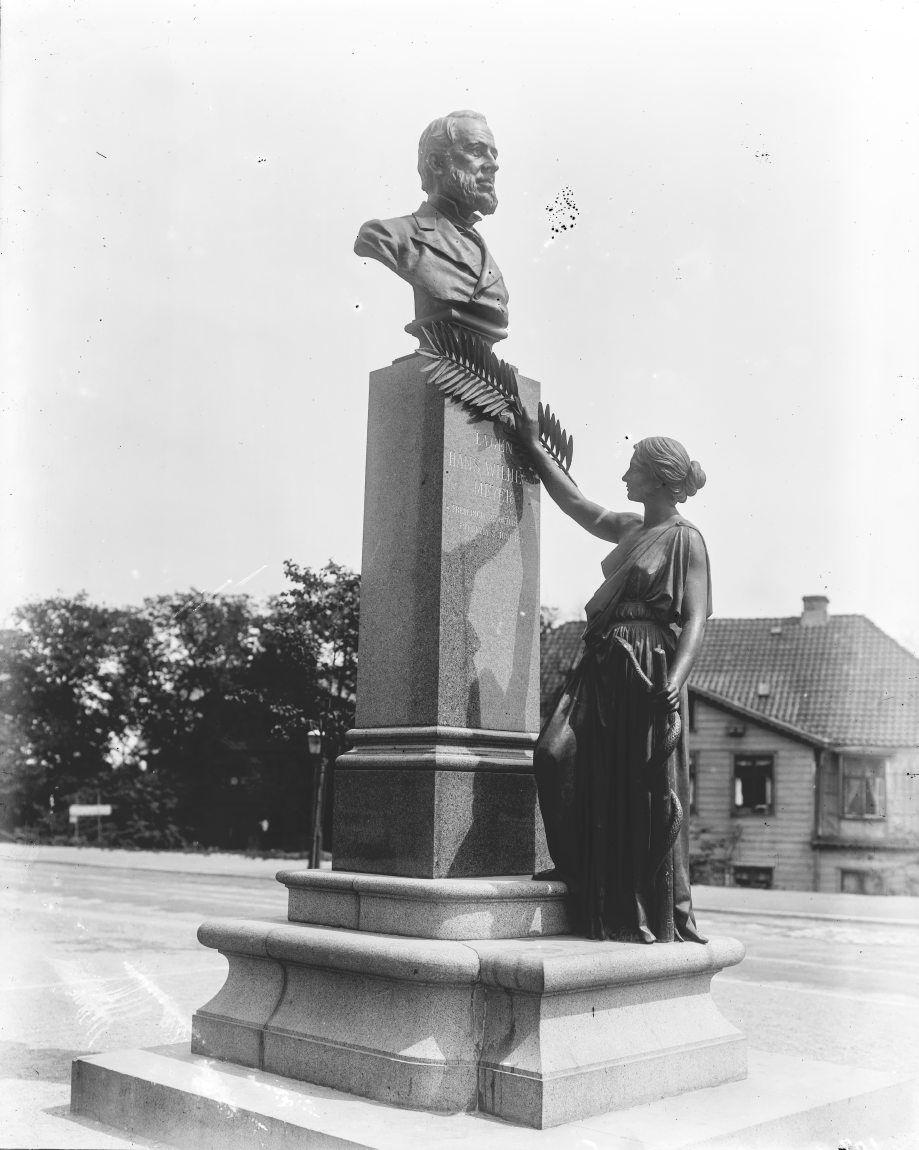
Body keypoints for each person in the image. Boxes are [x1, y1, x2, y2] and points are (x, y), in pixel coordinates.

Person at [514, 405, 711, 943]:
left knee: (639, 786)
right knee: (554, 756)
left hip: (647, 668)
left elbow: (696, 616)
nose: (625, 477)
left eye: (633, 469)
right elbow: (576, 503)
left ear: (660, 477)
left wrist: (675, 677)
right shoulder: (628, 526)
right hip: (601, 662)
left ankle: (636, 904)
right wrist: (532, 446)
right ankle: (580, 871)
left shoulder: (685, 538)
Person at [354, 111, 509, 339]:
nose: (493, 165)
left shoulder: (485, 256)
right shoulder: (387, 235)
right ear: (437, 163)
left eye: (493, 154)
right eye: (477, 151)